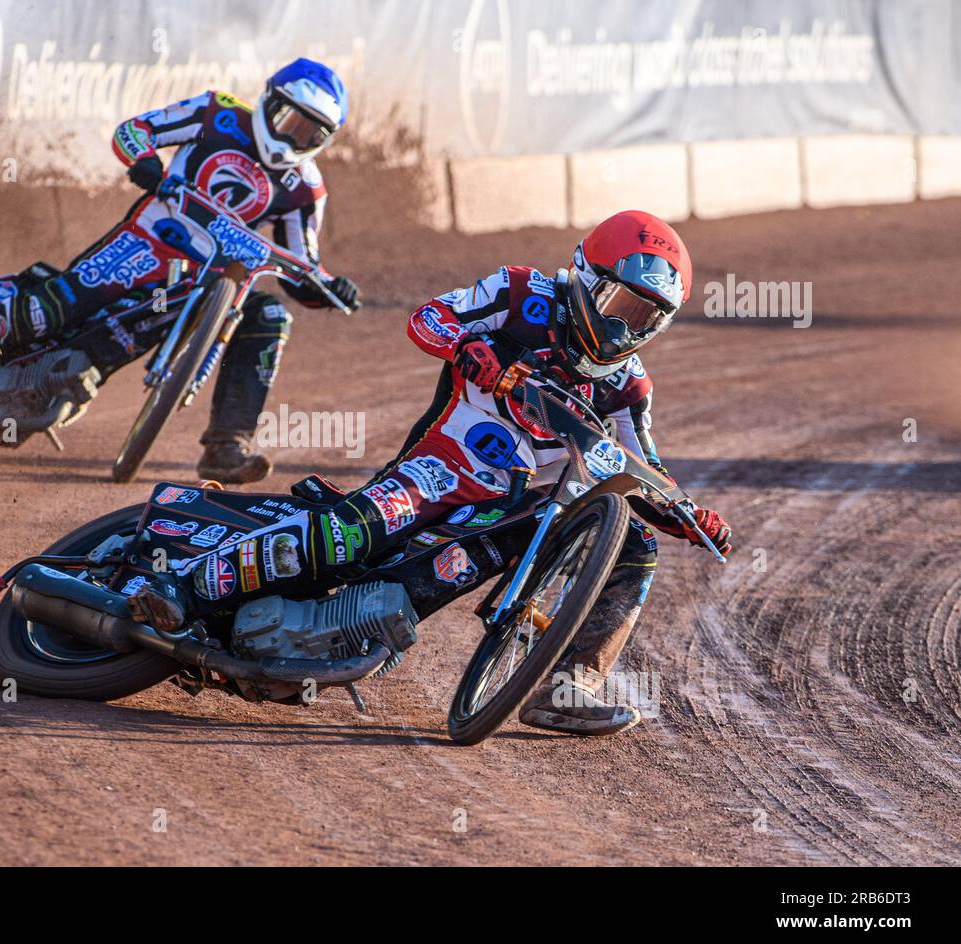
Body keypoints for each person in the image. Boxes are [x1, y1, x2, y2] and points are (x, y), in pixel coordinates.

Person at [128, 209, 732, 736]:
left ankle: (568, 687)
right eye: (622, 305)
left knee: (635, 542)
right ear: (586, 278)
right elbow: (429, 319)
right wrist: (475, 353)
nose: (629, 328)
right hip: (440, 467)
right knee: (353, 533)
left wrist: (690, 513)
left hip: (515, 506)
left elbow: (640, 466)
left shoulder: (628, 386)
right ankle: (182, 586)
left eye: (649, 319)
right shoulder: (523, 293)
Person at [0, 58, 360, 484]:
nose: (293, 137)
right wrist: (148, 166)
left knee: (269, 315)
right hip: (144, 245)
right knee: (56, 309)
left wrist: (330, 285)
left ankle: (227, 447)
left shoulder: (305, 190)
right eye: (289, 120)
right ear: (268, 102)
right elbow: (134, 131)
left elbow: (303, 266)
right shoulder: (218, 111)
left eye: (308, 133)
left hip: (204, 283)